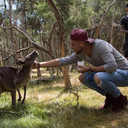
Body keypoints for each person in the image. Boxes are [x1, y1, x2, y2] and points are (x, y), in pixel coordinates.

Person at [33, 28, 128, 112]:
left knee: (98, 76)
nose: (71, 47)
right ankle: (111, 98)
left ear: (82, 43)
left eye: (73, 44)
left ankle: (121, 99)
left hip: (125, 73)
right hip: (112, 75)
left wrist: (89, 69)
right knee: (83, 77)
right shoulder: (81, 53)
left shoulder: (101, 46)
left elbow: (112, 66)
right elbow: (62, 61)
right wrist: (38, 65)